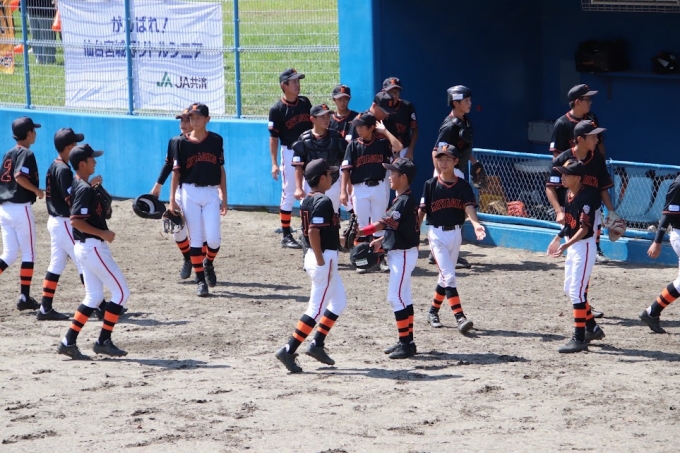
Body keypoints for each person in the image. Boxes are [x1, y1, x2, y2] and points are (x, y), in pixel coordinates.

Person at [57, 144, 129, 360]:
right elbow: (76, 221)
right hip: (93, 246)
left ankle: (68, 342)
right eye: (92, 159)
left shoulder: (80, 184)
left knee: (94, 296)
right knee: (121, 293)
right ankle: (103, 341)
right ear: (82, 164)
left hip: (85, 248)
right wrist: (102, 233)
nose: (95, 162)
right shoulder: (85, 189)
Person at [275, 159, 347, 373]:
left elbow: (320, 231)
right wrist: (321, 260)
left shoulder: (308, 199)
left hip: (317, 255)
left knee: (339, 302)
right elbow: (313, 232)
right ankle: (288, 350)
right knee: (315, 310)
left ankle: (317, 344)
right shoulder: (323, 200)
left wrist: (341, 240)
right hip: (322, 258)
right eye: (330, 174)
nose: (332, 177)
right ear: (322, 178)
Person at [546, 120, 618, 319]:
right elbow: (550, 187)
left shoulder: (597, 158)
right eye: (593, 136)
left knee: (583, 263)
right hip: (570, 213)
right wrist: (559, 211)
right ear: (580, 139)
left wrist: (611, 212)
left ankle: (584, 308)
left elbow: (602, 188)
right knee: (577, 265)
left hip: (591, 215)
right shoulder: (564, 158)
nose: (597, 139)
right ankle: (583, 306)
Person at [419, 144, 486, 333]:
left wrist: (476, 224)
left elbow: (469, 206)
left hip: (456, 233)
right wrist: (414, 233)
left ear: (456, 161)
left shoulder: (462, 185)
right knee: (449, 276)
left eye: (448, 159)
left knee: (444, 277)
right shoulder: (430, 185)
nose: (443, 162)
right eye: (440, 159)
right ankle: (460, 317)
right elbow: (421, 211)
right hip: (436, 234)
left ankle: (432, 312)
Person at [357, 158, 419, 359]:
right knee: (404, 297)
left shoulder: (404, 201)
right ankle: (407, 341)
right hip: (401, 252)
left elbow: (383, 223)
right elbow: (397, 229)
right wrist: (381, 241)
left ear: (404, 177)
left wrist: (361, 232)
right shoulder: (402, 199)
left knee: (395, 297)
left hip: (403, 254)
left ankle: (405, 344)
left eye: (393, 173)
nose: (389, 176)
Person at [547, 159, 606, 353]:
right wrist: (558, 238)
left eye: (566, 174)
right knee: (569, 290)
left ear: (578, 178)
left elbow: (584, 229)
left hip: (584, 247)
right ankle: (592, 328)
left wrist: (566, 245)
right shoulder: (569, 194)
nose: (562, 177)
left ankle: (579, 338)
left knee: (577, 292)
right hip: (573, 246)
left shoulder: (586, 197)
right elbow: (569, 224)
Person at [169, 103, 227, 297]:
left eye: (198, 117)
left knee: (213, 239)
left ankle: (208, 263)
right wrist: (172, 200)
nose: (194, 121)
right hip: (189, 191)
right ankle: (200, 280)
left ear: (207, 119)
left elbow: (220, 169)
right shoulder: (182, 143)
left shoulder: (216, 140)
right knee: (195, 238)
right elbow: (176, 173)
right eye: (192, 117)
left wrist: (224, 197)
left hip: (210, 192)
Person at [549, 83, 609, 263]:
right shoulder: (562, 123)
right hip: (572, 177)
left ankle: (595, 248)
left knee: (593, 213)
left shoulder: (592, 118)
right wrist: (565, 176)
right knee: (575, 217)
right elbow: (557, 156)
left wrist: (600, 164)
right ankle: (570, 246)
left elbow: (599, 145)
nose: (590, 102)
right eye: (587, 99)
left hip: (590, 173)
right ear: (577, 102)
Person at [340, 112, 403, 273]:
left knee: (378, 224)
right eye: (357, 127)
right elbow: (346, 170)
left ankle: (379, 260)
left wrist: (385, 131)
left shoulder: (382, 143)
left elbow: (398, 147)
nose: (358, 129)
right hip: (359, 188)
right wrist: (343, 191)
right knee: (360, 226)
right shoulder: (353, 145)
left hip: (379, 186)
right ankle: (360, 260)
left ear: (371, 127)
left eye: (361, 127)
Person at [38, 127, 87, 321]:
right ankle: (99, 305)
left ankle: (45, 308)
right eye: (75, 144)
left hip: (56, 221)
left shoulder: (55, 165)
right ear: (68, 147)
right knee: (82, 260)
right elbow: (70, 200)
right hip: (64, 222)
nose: (77, 146)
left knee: (56, 264)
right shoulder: (63, 169)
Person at [0, 116, 43, 312]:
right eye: (34, 130)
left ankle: (25, 297)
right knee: (28, 253)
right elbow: (19, 177)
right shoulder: (27, 153)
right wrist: (36, 191)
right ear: (28, 133)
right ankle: (24, 297)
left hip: (4, 209)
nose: (35, 133)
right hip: (20, 208)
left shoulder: (8, 153)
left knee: (9, 254)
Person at [150, 107, 197, 280]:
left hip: (198, 191)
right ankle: (188, 259)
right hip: (180, 190)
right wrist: (158, 185)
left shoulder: (203, 142)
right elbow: (169, 164)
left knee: (198, 232)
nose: (183, 124)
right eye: (181, 120)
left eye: (186, 120)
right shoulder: (175, 141)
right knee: (176, 226)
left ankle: (203, 264)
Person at [268, 68, 312, 249]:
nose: (297, 84)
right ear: (284, 85)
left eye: (298, 81)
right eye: (293, 81)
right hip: (290, 152)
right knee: (289, 191)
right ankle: (286, 235)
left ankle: (307, 232)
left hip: (308, 151)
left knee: (308, 191)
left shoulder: (305, 103)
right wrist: (274, 163)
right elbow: (273, 138)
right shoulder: (277, 109)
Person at [639, 173, 680, 334]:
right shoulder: (678, 185)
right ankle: (652, 312)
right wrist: (657, 242)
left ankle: (652, 312)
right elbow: (667, 214)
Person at [292, 103, 345, 214]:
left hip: (332, 183)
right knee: (310, 215)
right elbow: (298, 166)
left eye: (327, 116)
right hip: (310, 185)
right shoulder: (304, 138)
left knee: (333, 216)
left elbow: (344, 164)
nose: (326, 120)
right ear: (312, 119)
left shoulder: (336, 137)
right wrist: (298, 188)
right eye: (322, 117)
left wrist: (345, 187)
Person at [381, 77, 418, 161]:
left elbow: (415, 129)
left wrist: (410, 150)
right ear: (383, 92)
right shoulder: (379, 108)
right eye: (391, 93)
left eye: (396, 92)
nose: (394, 96)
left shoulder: (407, 107)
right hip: (385, 150)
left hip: (403, 150)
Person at [27, 0, 56, 64]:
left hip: (45, 8)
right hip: (30, 6)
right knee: (35, 35)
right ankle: (39, 59)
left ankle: (49, 60)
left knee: (47, 35)